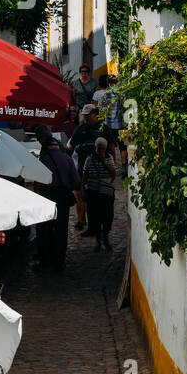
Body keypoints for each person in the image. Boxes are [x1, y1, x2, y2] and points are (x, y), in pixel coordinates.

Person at [33, 124, 81, 270]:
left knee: (44, 229)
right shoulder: (67, 159)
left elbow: (37, 183)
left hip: (47, 196)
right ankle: (59, 262)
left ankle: (45, 261)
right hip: (62, 197)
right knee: (61, 231)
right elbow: (77, 182)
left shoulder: (43, 161)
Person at [68, 104, 101, 229]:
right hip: (82, 168)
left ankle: (94, 223)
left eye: (89, 116)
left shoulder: (102, 128)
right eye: (85, 116)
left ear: (95, 115)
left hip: (98, 169)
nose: (86, 119)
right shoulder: (79, 129)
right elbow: (70, 148)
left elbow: (111, 149)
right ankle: (81, 220)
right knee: (79, 195)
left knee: (94, 198)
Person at [81, 137, 116, 251]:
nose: (100, 150)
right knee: (95, 218)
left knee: (107, 218)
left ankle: (105, 239)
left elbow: (113, 174)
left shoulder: (109, 158)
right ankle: (98, 242)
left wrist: (104, 162)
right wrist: (83, 190)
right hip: (93, 193)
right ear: (95, 147)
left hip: (106, 194)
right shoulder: (89, 159)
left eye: (102, 148)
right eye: (99, 148)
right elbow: (84, 175)